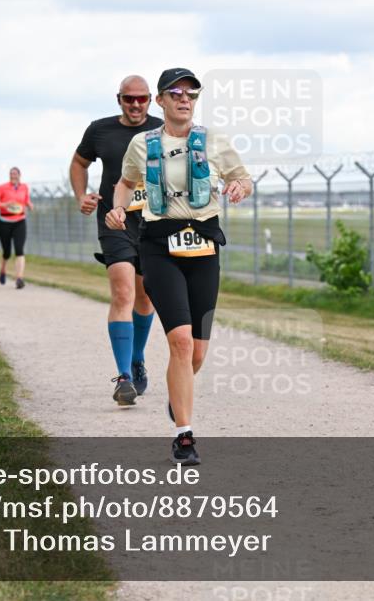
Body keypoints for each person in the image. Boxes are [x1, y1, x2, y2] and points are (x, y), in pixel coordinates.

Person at [106, 68, 252, 465]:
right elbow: (125, 183)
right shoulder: (142, 144)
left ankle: (178, 396)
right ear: (161, 101)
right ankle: (183, 436)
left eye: (191, 93)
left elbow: (243, 178)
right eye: (175, 93)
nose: (184, 99)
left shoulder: (214, 140)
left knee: (197, 354)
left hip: (204, 246)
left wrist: (239, 187)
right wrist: (118, 208)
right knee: (181, 342)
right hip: (159, 246)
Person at [72, 74, 162, 407]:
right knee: (123, 292)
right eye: (129, 98)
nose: (135, 104)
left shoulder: (163, 130)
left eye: (141, 98)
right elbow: (79, 162)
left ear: (150, 99)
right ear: (119, 99)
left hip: (153, 223)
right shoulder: (100, 130)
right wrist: (81, 195)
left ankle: (136, 357)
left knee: (146, 296)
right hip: (114, 220)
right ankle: (124, 377)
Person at [0, 167, 33, 288]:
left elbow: (26, 200)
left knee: (19, 249)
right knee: (7, 252)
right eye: (11, 174)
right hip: (4, 222)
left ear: (19, 175)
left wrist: (30, 205)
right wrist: (4, 204)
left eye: (15, 174)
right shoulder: (2, 187)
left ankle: (19, 278)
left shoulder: (24, 187)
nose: (13, 176)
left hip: (20, 221)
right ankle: (3, 270)